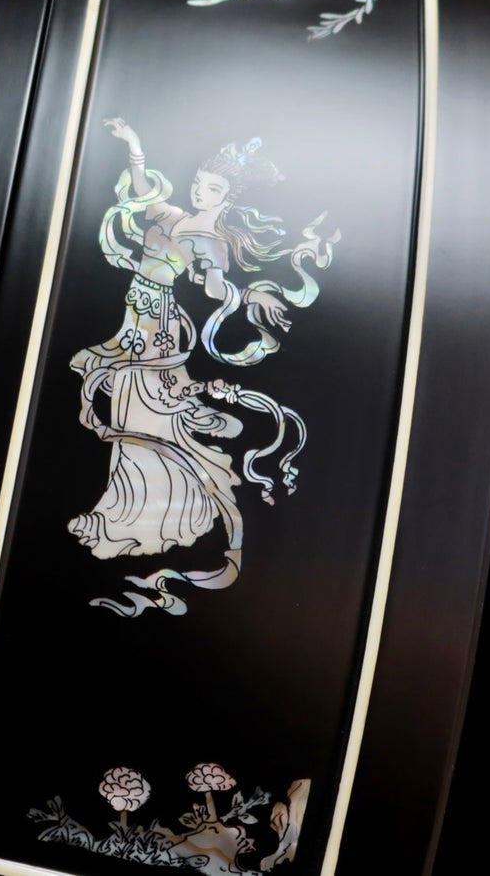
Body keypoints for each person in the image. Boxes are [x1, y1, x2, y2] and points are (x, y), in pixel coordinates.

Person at [70, 119, 335, 616]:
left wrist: (249, 295)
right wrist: (135, 145)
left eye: (211, 189)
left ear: (227, 198)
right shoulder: (172, 214)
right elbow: (144, 192)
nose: (198, 192)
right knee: (128, 413)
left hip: (157, 326)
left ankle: (144, 518)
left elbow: (215, 287)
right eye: (197, 183)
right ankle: (126, 508)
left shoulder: (208, 240)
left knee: (143, 418)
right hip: (137, 316)